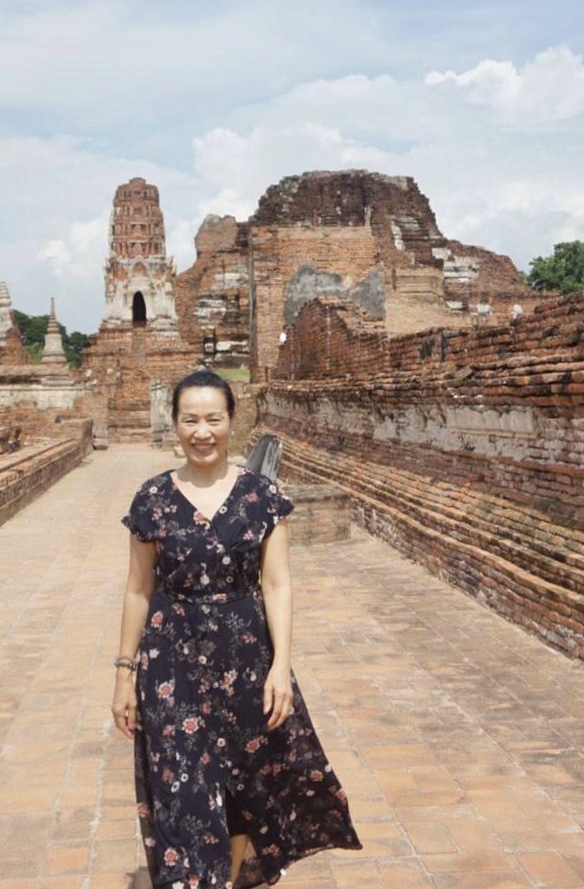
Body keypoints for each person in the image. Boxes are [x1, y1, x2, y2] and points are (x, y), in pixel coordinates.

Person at [112, 369, 361, 887]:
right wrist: (123, 674)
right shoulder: (153, 499)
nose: (202, 432)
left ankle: (223, 877)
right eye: (190, 420)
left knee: (244, 788)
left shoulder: (262, 497)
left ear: (232, 421)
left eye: (213, 419)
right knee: (182, 793)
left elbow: (277, 585)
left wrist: (281, 668)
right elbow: (138, 589)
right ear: (175, 424)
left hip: (245, 660)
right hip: (171, 665)